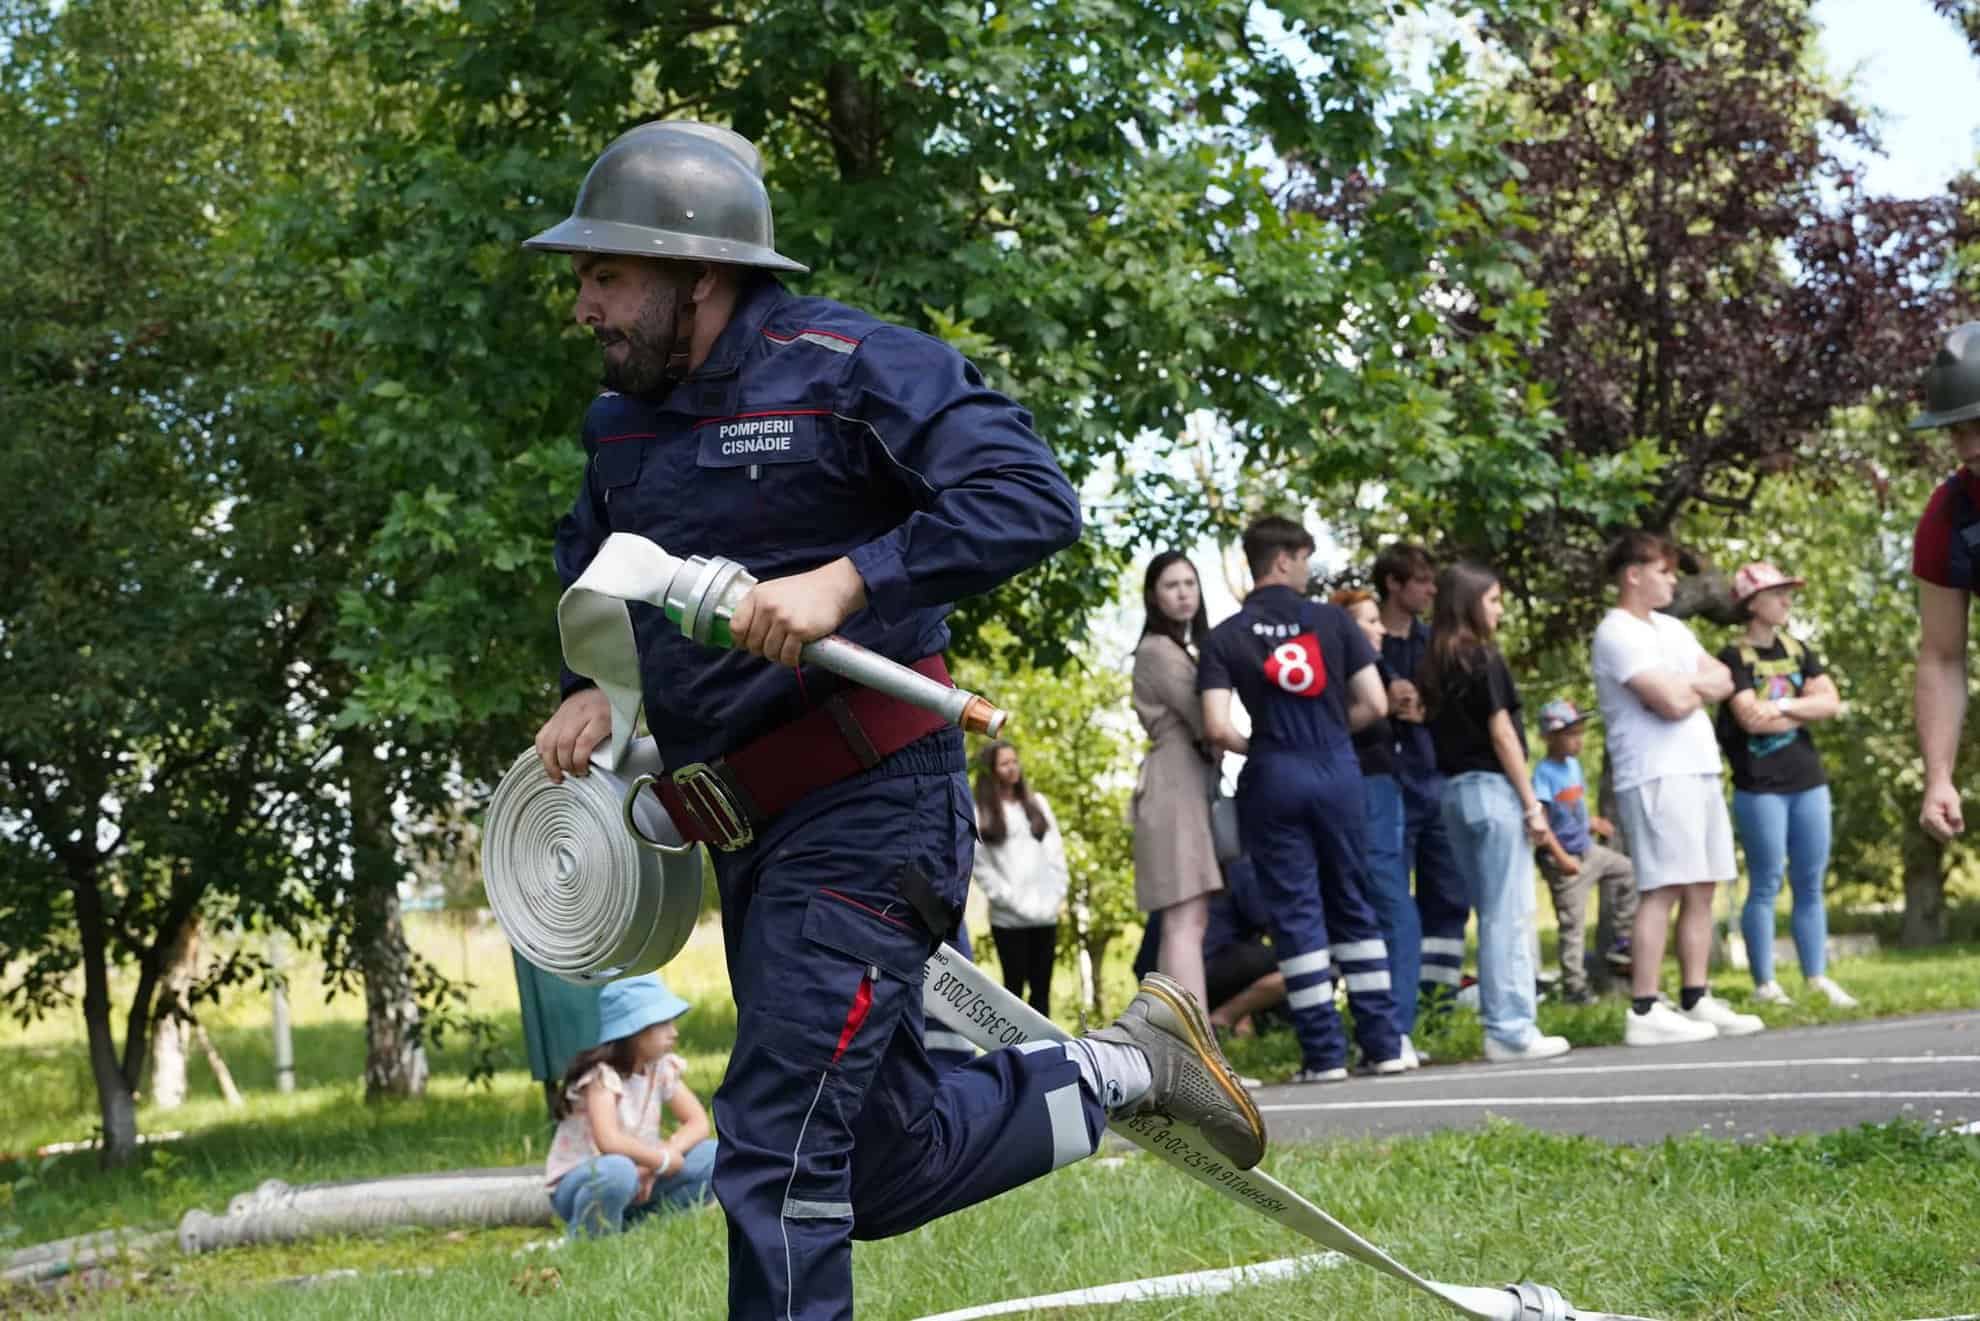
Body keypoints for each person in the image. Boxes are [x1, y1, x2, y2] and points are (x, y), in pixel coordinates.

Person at [524, 121, 1263, 1319]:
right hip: (750, 840)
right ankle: (1132, 1065)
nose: (584, 306)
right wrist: (585, 689)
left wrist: (848, 582)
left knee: (771, 1148)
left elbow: (1031, 499)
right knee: (880, 1157)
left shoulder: (853, 366)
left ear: (696, 271)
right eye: (583, 279)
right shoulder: (619, 426)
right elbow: (594, 560)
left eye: (605, 275)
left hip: (875, 813)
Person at [1199, 515, 1405, 1082]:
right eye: (1305, 558)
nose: (1308, 569)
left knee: (1296, 914)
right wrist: (1329, 733)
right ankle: (1384, 1044)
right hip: (1337, 771)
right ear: (1285, 559)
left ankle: (1324, 1055)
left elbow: (1215, 727)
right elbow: (1376, 705)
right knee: (1352, 901)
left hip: (1272, 777)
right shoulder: (1333, 622)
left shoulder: (1226, 635)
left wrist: (1263, 745)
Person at [1591, 531, 1764, 1047]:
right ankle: (1644, 1008)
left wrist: (1685, 687)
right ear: (1634, 574)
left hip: (1698, 767)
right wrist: (1688, 688)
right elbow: (1667, 701)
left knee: (1702, 883)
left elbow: (1722, 678)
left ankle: (1695, 996)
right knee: (1662, 886)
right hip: (1655, 773)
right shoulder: (1616, 632)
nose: (1672, 580)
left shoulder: (1671, 628)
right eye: (1664, 571)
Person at [1420, 563, 1570, 1064]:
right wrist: (1532, 804)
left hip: (1454, 795)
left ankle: (1499, 1023)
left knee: (1490, 914)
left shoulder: (1435, 663)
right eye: (1493, 601)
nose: (1500, 610)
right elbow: (1503, 733)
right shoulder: (1482, 657)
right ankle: (1510, 1028)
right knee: (1509, 915)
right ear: (1469, 604)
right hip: (1492, 790)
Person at [1716, 563, 1856, 1009]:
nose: (1787, 601)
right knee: (1766, 883)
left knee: (1810, 883)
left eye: (1788, 594)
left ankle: (1816, 978)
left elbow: (1831, 703)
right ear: (1752, 603)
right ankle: (1766, 985)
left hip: (1807, 781)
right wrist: (1802, 706)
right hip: (1760, 786)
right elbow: (1749, 720)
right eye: (1778, 594)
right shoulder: (1732, 658)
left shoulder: (1799, 649)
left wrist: (1783, 704)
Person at [1373, 543, 1470, 1009]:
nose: (1432, 590)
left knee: (1450, 895)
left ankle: (1441, 1004)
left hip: (1436, 782)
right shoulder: (1365, 645)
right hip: (1388, 786)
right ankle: (1399, 1006)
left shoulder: (1437, 644)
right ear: (1394, 584)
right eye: (1422, 581)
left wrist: (1427, 709)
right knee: (1395, 905)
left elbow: (1459, 712)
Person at [545, 975, 718, 1236]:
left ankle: (640, 1227)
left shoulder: (660, 1068)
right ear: (635, 1031)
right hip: (588, 1180)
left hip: (639, 1172)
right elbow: (609, 1141)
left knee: (714, 1155)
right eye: (664, 1024)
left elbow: (698, 1122)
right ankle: (590, 1237)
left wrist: (660, 1160)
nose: (675, 1032)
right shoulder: (602, 1077)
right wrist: (660, 1160)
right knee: (618, 1171)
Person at [1330, 588, 1423, 1067]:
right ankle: (1392, 1033)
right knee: (1393, 909)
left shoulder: (1375, 668)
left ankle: (1384, 1032)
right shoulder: (1343, 674)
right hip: (1366, 793)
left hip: (1387, 789)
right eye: (1369, 620)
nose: (1380, 628)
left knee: (1388, 909)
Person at [1130, 551, 1224, 1010]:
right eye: (1172, 585)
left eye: (1190, 582)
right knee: (1184, 920)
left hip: (1183, 780)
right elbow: (1208, 721)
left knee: (1188, 920)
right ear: (1153, 596)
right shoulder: (1158, 650)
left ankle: (1184, 1048)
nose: (1184, 592)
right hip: (1174, 783)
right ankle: (1197, 1050)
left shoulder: (1177, 648)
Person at [1907, 322, 1980, 845]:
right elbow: (1942, 655)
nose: (1970, 447)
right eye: (1957, 430)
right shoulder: (1950, 516)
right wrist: (1938, 776)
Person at [1530, 700, 1638, 1003]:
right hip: (1565, 860)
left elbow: (1571, 809)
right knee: (1572, 926)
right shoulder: (1543, 774)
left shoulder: (1574, 766)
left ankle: (1621, 942)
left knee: (1628, 872)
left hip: (1588, 850)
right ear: (1548, 738)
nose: (1578, 740)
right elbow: (1542, 824)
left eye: (1579, 732)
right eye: (1570, 735)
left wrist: (1592, 822)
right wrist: (1561, 858)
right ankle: (1574, 986)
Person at [970, 741, 1070, 1017]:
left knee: (1042, 993)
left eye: (1015, 761)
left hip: (1045, 916)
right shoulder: (981, 813)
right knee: (1012, 994)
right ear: (991, 770)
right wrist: (1010, 899)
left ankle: (1044, 1056)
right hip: (1009, 919)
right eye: (1004, 763)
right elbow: (981, 868)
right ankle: (1012, 1056)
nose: (1012, 768)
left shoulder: (1038, 804)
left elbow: (1055, 853)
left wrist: (1055, 897)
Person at [1200, 857, 1289, 1041]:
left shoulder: (1190, 867)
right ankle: (1223, 1019)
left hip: (1161, 973)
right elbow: (1266, 920)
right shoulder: (1240, 863)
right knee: (1299, 965)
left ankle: (1241, 1021)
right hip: (1209, 965)